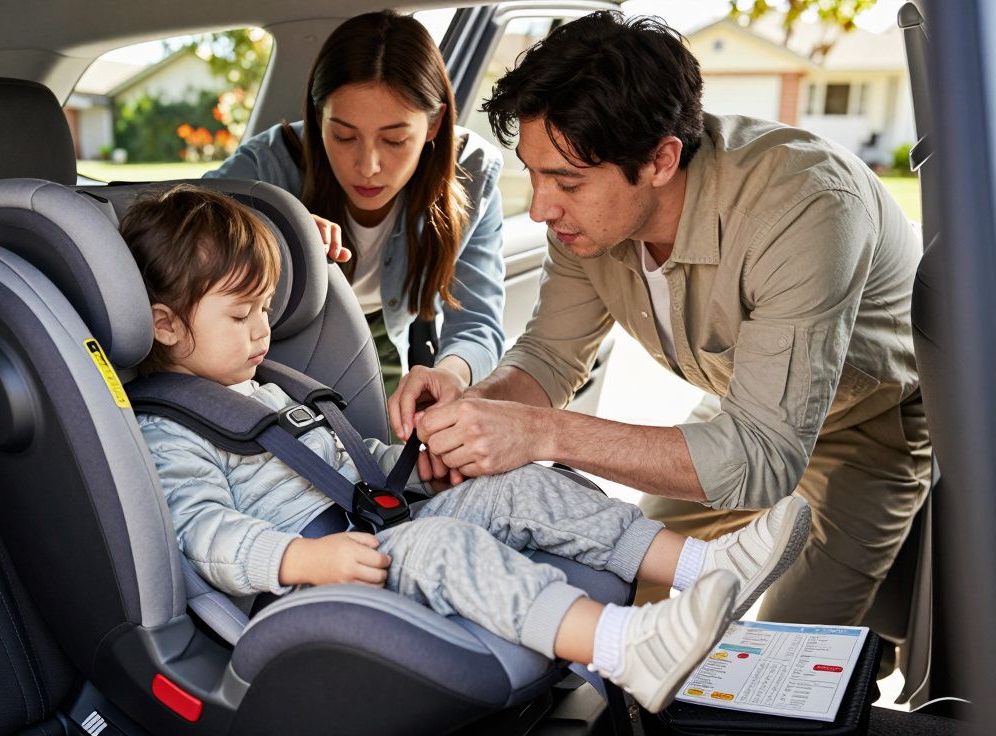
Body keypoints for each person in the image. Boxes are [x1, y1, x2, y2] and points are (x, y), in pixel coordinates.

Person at [119, 184, 813, 713]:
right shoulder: (166, 432)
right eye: (241, 315)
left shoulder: (262, 386)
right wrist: (304, 558)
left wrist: (404, 467)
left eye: (267, 308)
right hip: (311, 584)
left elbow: (331, 459)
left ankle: (699, 562)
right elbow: (204, 533)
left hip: (375, 529)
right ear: (166, 325)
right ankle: (625, 646)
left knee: (517, 484)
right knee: (443, 548)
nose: (263, 330)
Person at [391, 11, 930, 630]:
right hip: (746, 408)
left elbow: (762, 458)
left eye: (566, 181)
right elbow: (548, 357)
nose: (541, 207)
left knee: (793, 644)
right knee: (629, 570)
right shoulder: (586, 223)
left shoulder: (806, 206)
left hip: (869, 425)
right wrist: (470, 412)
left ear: (661, 159)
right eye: (535, 175)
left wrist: (541, 433)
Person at [205, 10, 505, 399]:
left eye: (395, 140)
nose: (368, 167)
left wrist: (450, 374)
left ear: (433, 124)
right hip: (274, 347)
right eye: (344, 136)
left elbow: (477, 323)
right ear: (318, 117)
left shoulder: (472, 173)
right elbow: (172, 225)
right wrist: (274, 232)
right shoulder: (269, 162)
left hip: (388, 340)